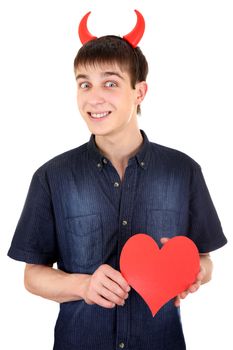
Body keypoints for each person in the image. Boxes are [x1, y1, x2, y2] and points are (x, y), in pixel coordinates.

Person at [8, 10, 227, 350]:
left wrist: (192, 273)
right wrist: (82, 286)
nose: (94, 98)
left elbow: (205, 259)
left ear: (140, 92)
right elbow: (32, 275)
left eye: (110, 83)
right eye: (85, 84)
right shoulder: (52, 176)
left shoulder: (183, 171)